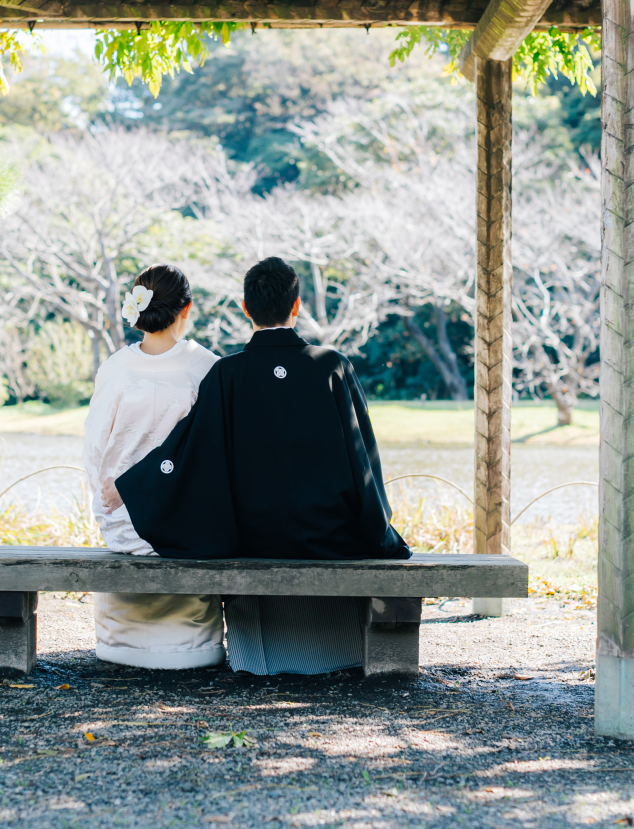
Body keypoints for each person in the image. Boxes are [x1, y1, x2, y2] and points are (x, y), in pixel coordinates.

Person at [104, 256, 409, 676]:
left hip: (253, 539)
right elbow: (364, 462)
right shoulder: (332, 367)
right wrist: (379, 528)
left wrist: (132, 485)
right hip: (329, 536)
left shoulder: (227, 374)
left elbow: (188, 453)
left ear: (245, 309)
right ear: (296, 305)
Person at [83, 263, 225, 670]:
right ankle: (193, 642)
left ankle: (121, 641)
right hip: (187, 524)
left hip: (123, 521)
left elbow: (95, 450)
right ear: (187, 308)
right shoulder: (207, 367)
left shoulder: (116, 367)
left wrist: (107, 496)